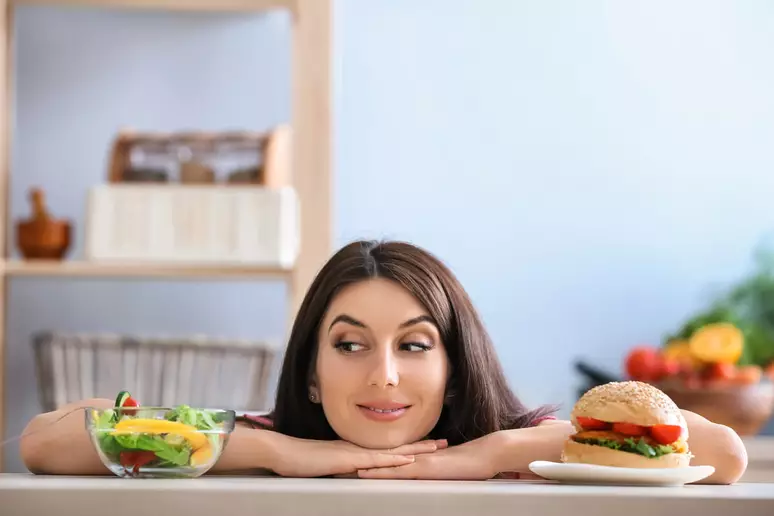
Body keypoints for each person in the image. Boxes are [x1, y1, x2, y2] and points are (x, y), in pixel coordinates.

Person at [20, 240, 748, 483]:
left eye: (414, 344)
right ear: (311, 370)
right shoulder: (260, 438)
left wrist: (491, 452)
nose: (384, 375)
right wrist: (278, 451)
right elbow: (45, 444)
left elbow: (724, 452)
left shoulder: (531, 446)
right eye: (349, 344)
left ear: (455, 366)